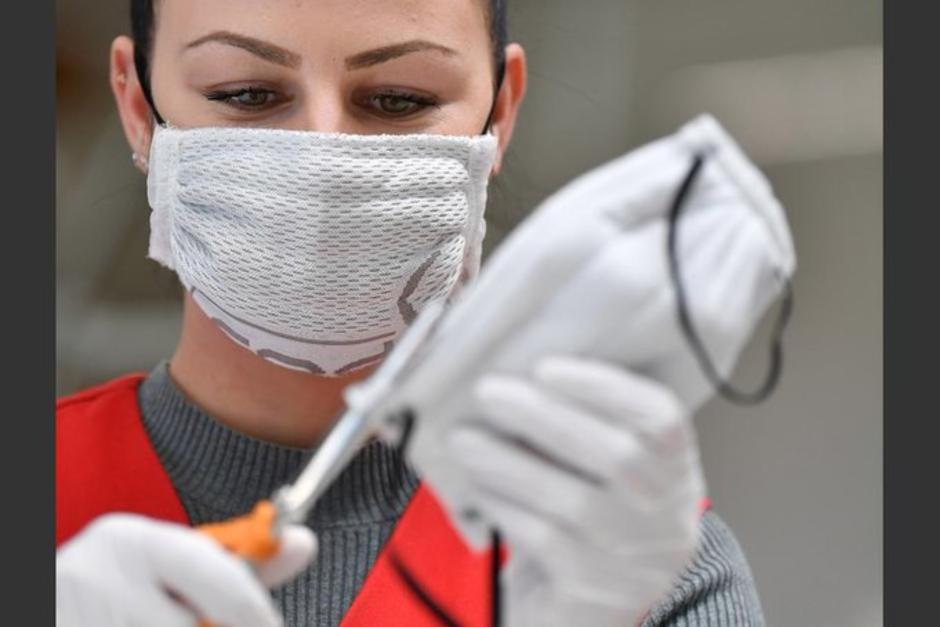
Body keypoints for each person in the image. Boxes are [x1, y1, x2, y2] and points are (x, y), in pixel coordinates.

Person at [56, 1, 765, 625]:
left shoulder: (623, 565)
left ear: (500, 114)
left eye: (398, 99)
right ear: (139, 109)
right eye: (245, 93)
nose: (324, 154)